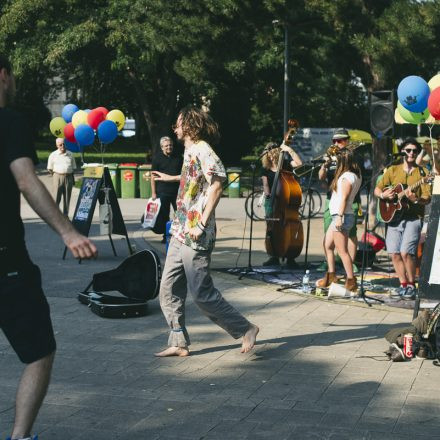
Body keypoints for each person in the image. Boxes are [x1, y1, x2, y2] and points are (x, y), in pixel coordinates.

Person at [0, 55, 97, 440]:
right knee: (39, 351)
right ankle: (20, 437)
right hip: (6, 262)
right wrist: (68, 232)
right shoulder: (10, 121)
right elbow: (25, 179)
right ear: (3, 76)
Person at [154, 105, 259, 357]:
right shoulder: (190, 151)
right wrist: (169, 180)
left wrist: (201, 222)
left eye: (178, 123)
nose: (175, 128)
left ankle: (246, 328)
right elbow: (192, 182)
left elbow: (217, 184)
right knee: (167, 290)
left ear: (189, 125)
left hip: (196, 235)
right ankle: (179, 342)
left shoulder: (203, 149)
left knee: (201, 294)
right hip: (179, 231)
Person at [374, 138, 431, 300]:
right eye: (408, 150)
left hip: (413, 217)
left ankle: (412, 285)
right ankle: (403, 284)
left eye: (414, 150)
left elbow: (427, 198)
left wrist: (415, 199)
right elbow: (377, 190)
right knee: (394, 253)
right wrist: (383, 194)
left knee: (407, 252)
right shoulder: (392, 170)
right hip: (393, 217)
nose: (411, 153)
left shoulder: (423, 173)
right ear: (403, 152)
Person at [316, 149, 362, 293]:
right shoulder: (354, 175)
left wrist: (340, 217)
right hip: (339, 215)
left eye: (337, 160)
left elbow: (344, 198)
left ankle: (351, 280)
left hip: (341, 216)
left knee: (342, 251)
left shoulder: (346, 177)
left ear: (342, 161)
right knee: (327, 245)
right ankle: (331, 275)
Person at [260, 141, 303, 266]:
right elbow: (265, 184)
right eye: (269, 154)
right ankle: (273, 255)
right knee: (271, 229)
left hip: (285, 202)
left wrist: (290, 150)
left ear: (278, 153)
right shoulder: (265, 168)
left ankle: (290, 256)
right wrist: (269, 196)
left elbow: (299, 164)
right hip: (271, 201)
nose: (271, 156)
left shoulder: (286, 165)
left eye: (273, 153)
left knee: (288, 228)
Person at [150, 136, 183, 243]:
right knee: (164, 215)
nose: (169, 147)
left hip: (177, 192)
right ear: (162, 147)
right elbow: (153, 177)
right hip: (162, 192)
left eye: (170, 145)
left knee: (180, 214)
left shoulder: (179, 158)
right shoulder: (157, 159)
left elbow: (183, 175)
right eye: (166, 146)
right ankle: (166, 235)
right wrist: (153, 193)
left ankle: (179, 235)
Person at [46, 137, 77, 215]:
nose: (62, 146)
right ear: (57, 146)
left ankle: (65, 215)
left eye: (64, 144)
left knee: (67, 198)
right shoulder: (53, 155)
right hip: (57, 176)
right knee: (56, 197)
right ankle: (56, 216)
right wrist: (56, 175)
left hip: (69, 177)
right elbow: (49, 168)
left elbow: (73, 167)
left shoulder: (70, 154)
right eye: (60, 145)